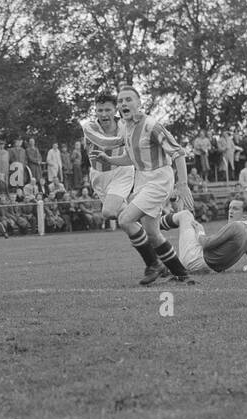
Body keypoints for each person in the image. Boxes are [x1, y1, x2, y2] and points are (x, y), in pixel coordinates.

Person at [87, 85, 196, 285]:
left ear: (139, 103)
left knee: (126, 219)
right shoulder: (128, 128)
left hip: (159, 179)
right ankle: (182, 274)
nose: (123, 104)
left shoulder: (151, 125)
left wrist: (183, 184)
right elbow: (130, 157)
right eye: (120, 101)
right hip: (143, 180)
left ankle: (153, 264)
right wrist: (108, 159)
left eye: (128, 99)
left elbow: (178, 152)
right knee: (152, 233)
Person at [159, 198, 247, 275]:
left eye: (235, 209)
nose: (230, 211)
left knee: (185, 215)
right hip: (210, 269)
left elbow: (206, 244)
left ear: (245, 214)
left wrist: (200, 231)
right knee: (187, 219)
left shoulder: (235, 226)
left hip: (197, 261)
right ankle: (167, 268)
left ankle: (153, 226)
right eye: (229, 208)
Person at [83, 93, 132, 231]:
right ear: (95, 111)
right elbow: (104, 143)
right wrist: (124, 139)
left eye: (107, 110)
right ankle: (150, 231)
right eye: (100, 110)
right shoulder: (89, 127)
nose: (103, 114)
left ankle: (144, 210)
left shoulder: (125, 125)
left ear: (115, 110)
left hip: (120, 172)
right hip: (98, 176)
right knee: (125, 220)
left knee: (109, 212)